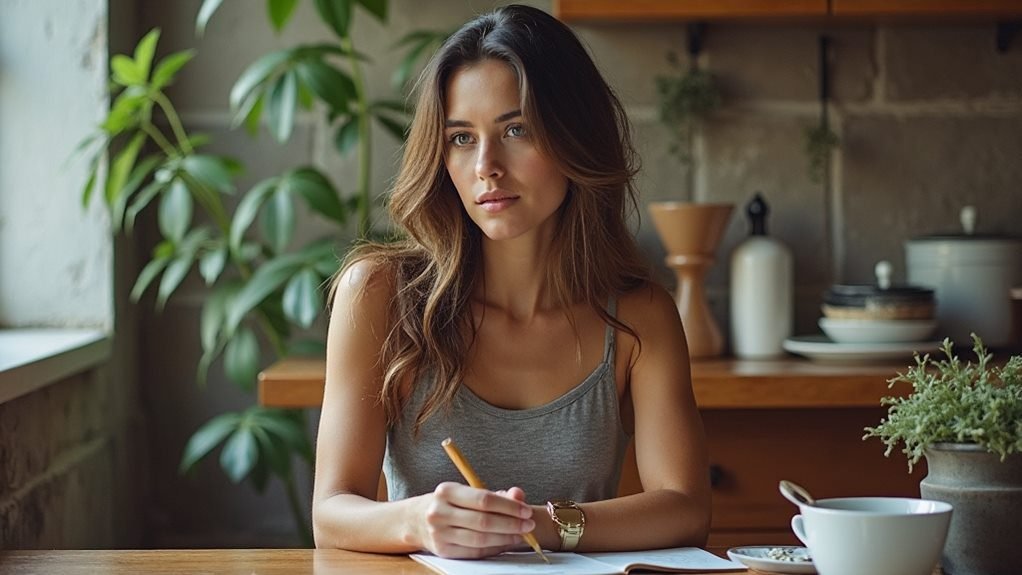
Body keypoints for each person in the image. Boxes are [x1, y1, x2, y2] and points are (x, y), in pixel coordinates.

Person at [312, 4, 710, 558]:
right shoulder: (379, 295)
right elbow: (332, 512)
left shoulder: (640, 315)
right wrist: (419, 522)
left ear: (575, 137)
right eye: (461, 138)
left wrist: (536, 526)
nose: (486, 167)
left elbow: (686, 508)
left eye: (515, 129)